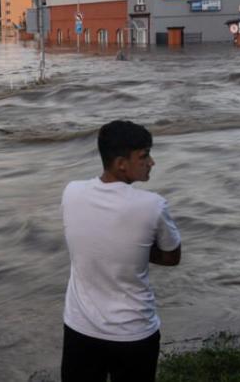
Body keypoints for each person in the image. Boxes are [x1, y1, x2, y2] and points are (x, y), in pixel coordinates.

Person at [60, 120, 182, 382]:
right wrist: (136, 250)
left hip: (80, 328)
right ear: (120, 163)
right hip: (133, 333)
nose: (152, 162)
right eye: (144, 155)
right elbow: (172, 256)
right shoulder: (153, 206)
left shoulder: (71, 192)